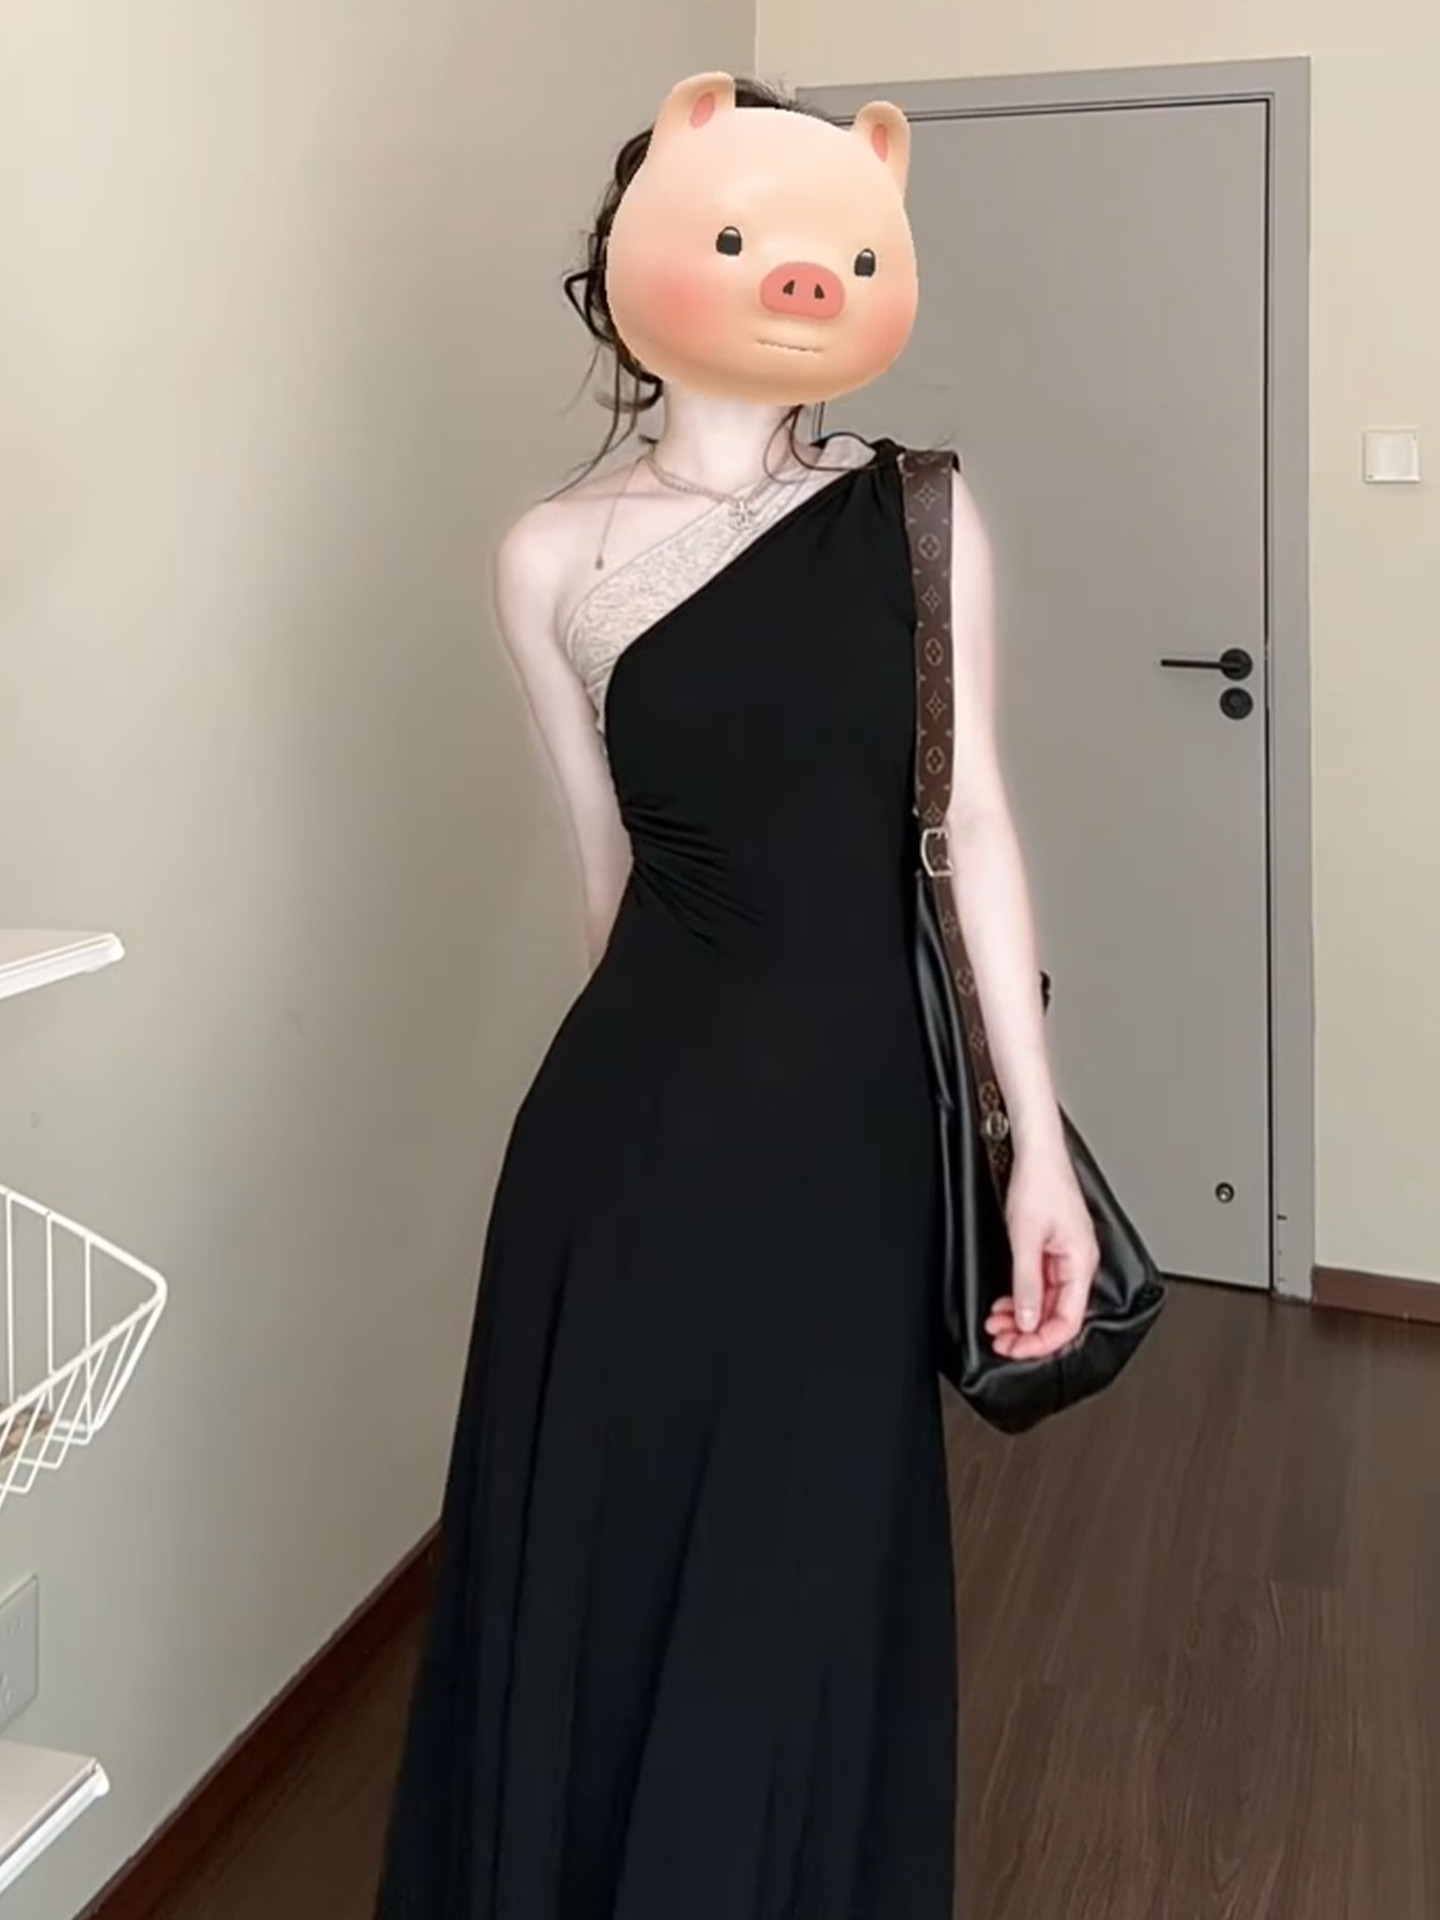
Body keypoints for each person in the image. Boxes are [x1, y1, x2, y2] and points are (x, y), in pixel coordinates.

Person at [376, 72, 1097, 1920]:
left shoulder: (918, 514)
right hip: (630, 1148)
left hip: (857, 1143)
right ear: (643, 257)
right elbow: (608, 874)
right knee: (609, 1568)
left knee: (804, 1568)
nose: (795, 273)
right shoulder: (550, 556)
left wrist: (1032, 1149)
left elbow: (975, 824)